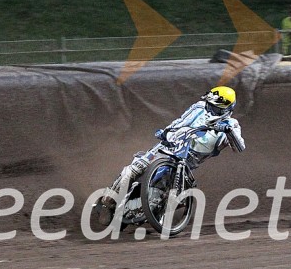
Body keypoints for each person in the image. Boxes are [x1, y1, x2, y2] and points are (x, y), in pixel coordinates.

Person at [100, 86, 245, 214]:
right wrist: (167, 132)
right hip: (166, 148)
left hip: (184, 165)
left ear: (227, 110)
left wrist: (229, 131)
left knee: (153, 200)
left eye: (215, 108)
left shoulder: (231, 125)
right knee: (133, 170)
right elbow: (181, 121)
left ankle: (146, 211)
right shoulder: (199, 107)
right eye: (209, 105)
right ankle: (108, 202)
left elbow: (240, 148)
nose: (210, 109)